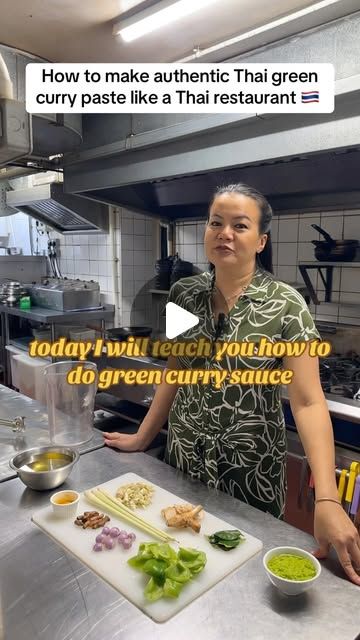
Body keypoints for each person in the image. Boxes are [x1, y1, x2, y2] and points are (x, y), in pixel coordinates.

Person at [103, 183, 360, 586]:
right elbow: (176, 369)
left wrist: (327, 498)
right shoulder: (184, 294)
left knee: (244, 577)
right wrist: (143, 435)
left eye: (240, 226)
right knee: (183, 564)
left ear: (260, 241)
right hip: (185, 458)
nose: (225, 233)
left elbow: (309, 403)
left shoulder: (286, 304)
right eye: (216, 223)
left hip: (251, 470)